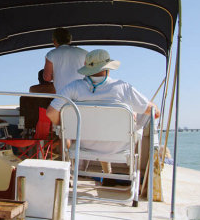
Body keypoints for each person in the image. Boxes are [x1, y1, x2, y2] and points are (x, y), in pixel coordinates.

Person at [46, 49, 160, 179]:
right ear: (108, 68)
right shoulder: (122, 87)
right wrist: (145, 107)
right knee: (137, 114)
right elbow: (154, 113)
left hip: (83, 146)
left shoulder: (73, 87)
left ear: (87, 68)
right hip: (118, 148)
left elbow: (50, 113)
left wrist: (65, 126)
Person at [43, 27, 88, 93]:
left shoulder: (51, 54)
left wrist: (58, 74)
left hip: (63, 96)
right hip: (83, 94)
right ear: (70, 40)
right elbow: (90, 74)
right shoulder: (84, 53)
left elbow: (47, 78)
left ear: (54, 41)